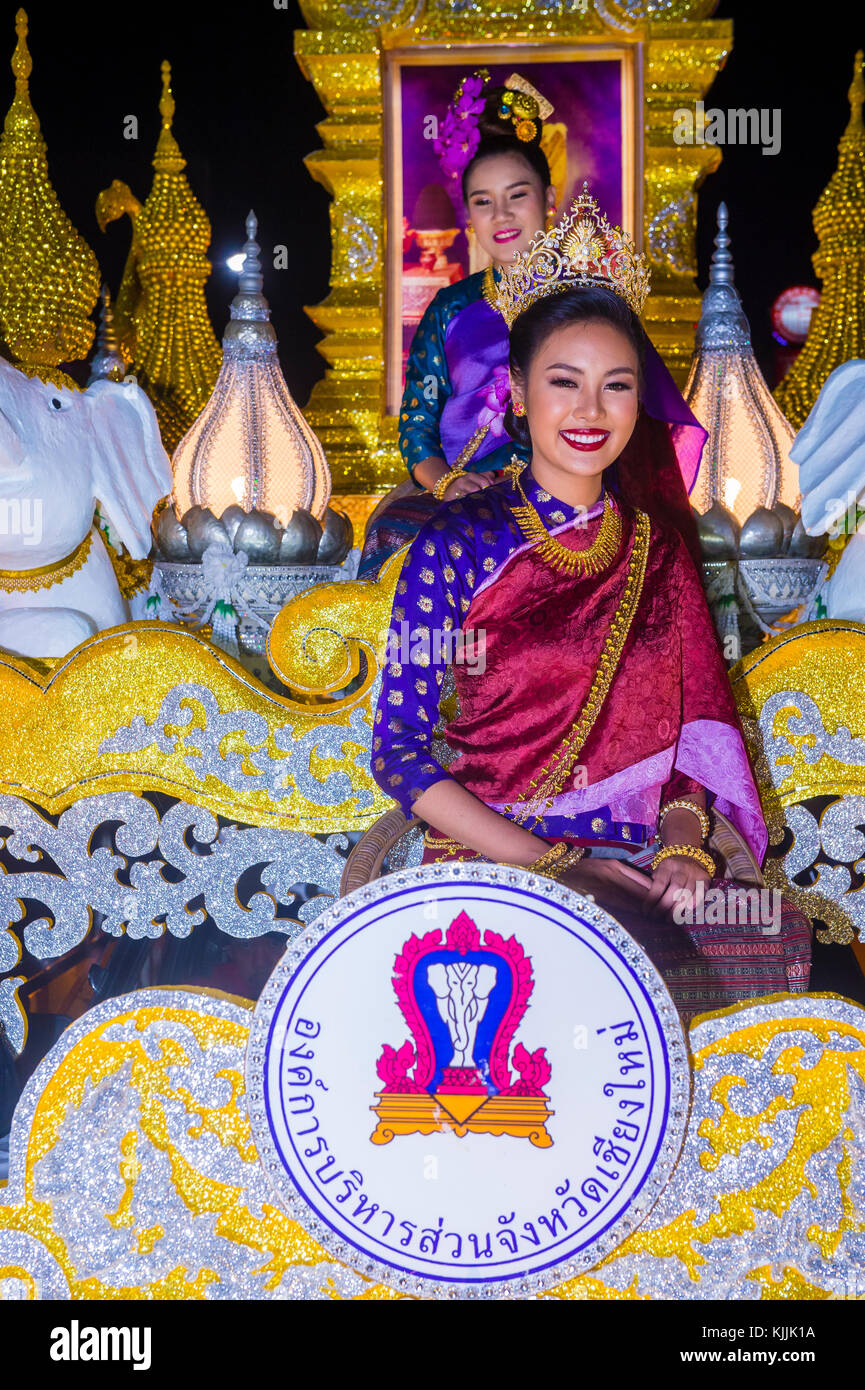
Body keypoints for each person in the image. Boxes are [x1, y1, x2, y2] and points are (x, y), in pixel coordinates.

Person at [370, 187, 810, 1020]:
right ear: (515, 389)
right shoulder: (454, 544)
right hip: (490, 859)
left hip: (641, 858)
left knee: (781, 957)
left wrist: (684, 848)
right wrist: (552, 865)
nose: (589, 411)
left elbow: (694, 736)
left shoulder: (657, 549)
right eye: (563, 382)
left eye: (615, 386)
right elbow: (396, 753)